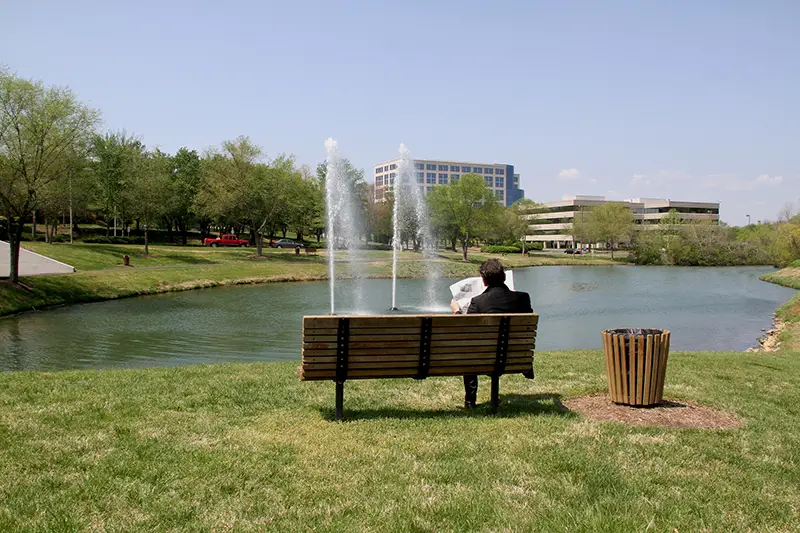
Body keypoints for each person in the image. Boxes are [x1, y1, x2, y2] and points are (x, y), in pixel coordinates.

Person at [450, 258, 533, 408]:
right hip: (516, 355)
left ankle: (470, 401)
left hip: (484, 357)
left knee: (469, 351)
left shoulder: (478, 301)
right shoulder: (523, 298)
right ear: (505, 277)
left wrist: (457, 311)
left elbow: (466, 331)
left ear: (483, 280)